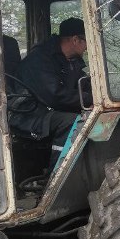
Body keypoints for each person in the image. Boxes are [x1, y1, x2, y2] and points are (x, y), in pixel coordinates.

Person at [9, 17, 91, 169]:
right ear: (75, 40)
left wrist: (95, 96)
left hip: (47, 110)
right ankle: (58, 174)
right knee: (71, 122)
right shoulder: (39, 60)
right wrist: (89, 99)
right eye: (87, 41)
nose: (88, 47)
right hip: (27, 113)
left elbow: (82, 86)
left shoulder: (71, 61)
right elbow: (55, 96)